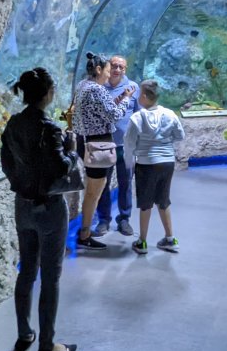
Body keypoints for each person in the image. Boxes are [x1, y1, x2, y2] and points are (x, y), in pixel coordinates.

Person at [0, 67, 78, 351]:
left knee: (26, 271)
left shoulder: (13, 124)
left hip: (23, 205)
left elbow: (7, 164)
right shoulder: (49, 127)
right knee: (51, 277)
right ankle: (47, 344)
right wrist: (71, 150)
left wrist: (22, 186)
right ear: (47, 94)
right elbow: (61, 167)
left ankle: (23, 333)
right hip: (50, 207)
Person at [70, 51, 135, 250]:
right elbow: (114, 116)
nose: (109, 74)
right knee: (94, 193)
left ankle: (87, 230)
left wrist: (121, 96)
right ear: (98, 69)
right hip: (98, 146)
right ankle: (85, 234)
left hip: (86, 143)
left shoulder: (83, 85)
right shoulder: (97, 90)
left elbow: (101, 111)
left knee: (94, 189)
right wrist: (126, 99)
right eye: (108, 69)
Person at [122, 80, 185, 254]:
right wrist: (164, 142)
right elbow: (180, 135)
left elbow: (129, 144)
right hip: (167, 162)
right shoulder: (170, 114)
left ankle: (142, 242)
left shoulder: (137, 118)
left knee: (145, 203)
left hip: (146, 164)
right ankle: (170, 239)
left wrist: (130, 163)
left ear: (143, 96)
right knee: (163, 200)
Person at [92, 54, 139, 238]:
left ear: (125, 69)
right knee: (102, 183)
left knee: (126, 183)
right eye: (114, 65)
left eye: (121, 66)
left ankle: (124, 219)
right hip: (104, 145)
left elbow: (139, 116)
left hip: (126, 147)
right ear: (107, 66)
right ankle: (103, 220)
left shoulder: (132, 88)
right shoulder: (99, 87)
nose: (117, 69)